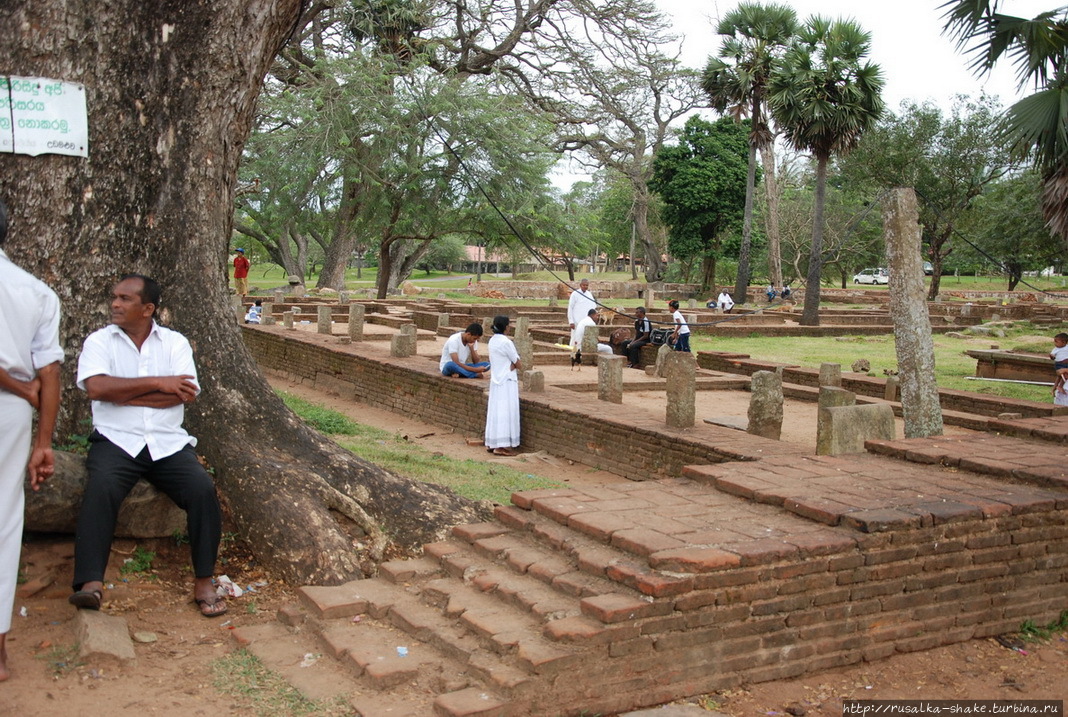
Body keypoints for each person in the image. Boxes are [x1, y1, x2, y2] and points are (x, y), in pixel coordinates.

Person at [70, 274, 226, 618]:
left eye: (125, 299)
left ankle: (203, 580)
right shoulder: (100, 342)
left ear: (148, 309)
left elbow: (182, 394)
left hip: (167, 443)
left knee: (201, 490)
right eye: (115, 297)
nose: (115, 303)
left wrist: (123, 392)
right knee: (101, 489)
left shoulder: (174, 344)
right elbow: (96, 388)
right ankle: (90, 584)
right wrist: (158, 382)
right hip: (116, 440)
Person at [0, 199, 63, 681]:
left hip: (14, 403)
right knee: (4, 521)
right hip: (13, 416)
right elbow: (49, 374)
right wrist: (43, 441)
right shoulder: (35, 291)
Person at [485, 316, 522, 456]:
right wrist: (512, 365)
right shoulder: (506, 342)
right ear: (506, 327)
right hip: (507, 380)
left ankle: (492, 441)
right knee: (506, 411)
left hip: (496, 379)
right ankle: (501, 446)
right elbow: (518, 363)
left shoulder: (492, 341)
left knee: (495, 410)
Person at [567, 278, 596, 348]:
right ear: (580, 285)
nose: (585, 287)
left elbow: (593, 307)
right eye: (584, 285)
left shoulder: (589, 294)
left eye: (587, 285)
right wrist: (571, 321)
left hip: (586, 321)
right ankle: (572, 354)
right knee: (575, 338)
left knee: (585, 338)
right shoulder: (575, 294)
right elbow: (570, 307)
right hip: (576, 321)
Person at [1051, 332, 1068, 403]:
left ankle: (1057, 387)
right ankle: (1056, 387)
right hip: (1059, 364)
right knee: (1060, 376)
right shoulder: (1057, 349)